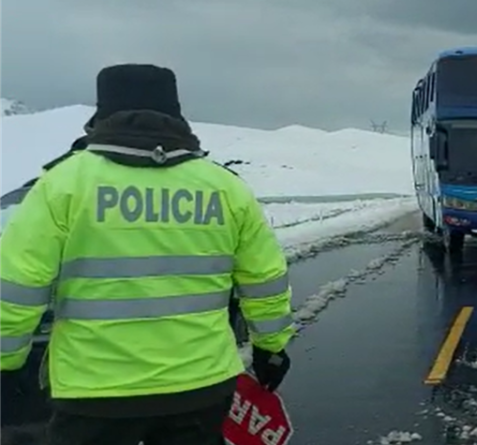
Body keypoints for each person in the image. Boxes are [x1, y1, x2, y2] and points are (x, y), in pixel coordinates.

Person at [0, 64, 295, 445]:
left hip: (94, 394)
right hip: (201, 386)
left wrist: (6, 363)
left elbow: (15, 286)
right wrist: (270, 348)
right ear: (176, 114)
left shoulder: (63, 184)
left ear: (101, 114)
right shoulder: (225, 188)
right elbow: (264, 279)